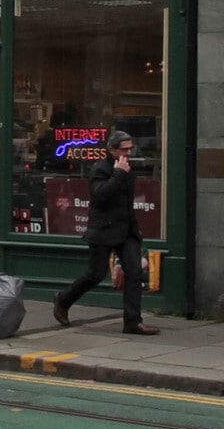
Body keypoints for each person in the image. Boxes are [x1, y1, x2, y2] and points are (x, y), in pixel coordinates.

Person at [53, 131, 160, 335]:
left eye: (130, 148)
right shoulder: (101, 168)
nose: (129, 153)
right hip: (103, 230)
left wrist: (134, 229)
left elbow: (126, 201)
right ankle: (63, 299)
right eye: (124, 149)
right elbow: (100, 195)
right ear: (111, 149)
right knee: (96, 274)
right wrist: (118, 173)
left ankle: (132, 321)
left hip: (126, 230)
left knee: (134, 272)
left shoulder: (127, 168)